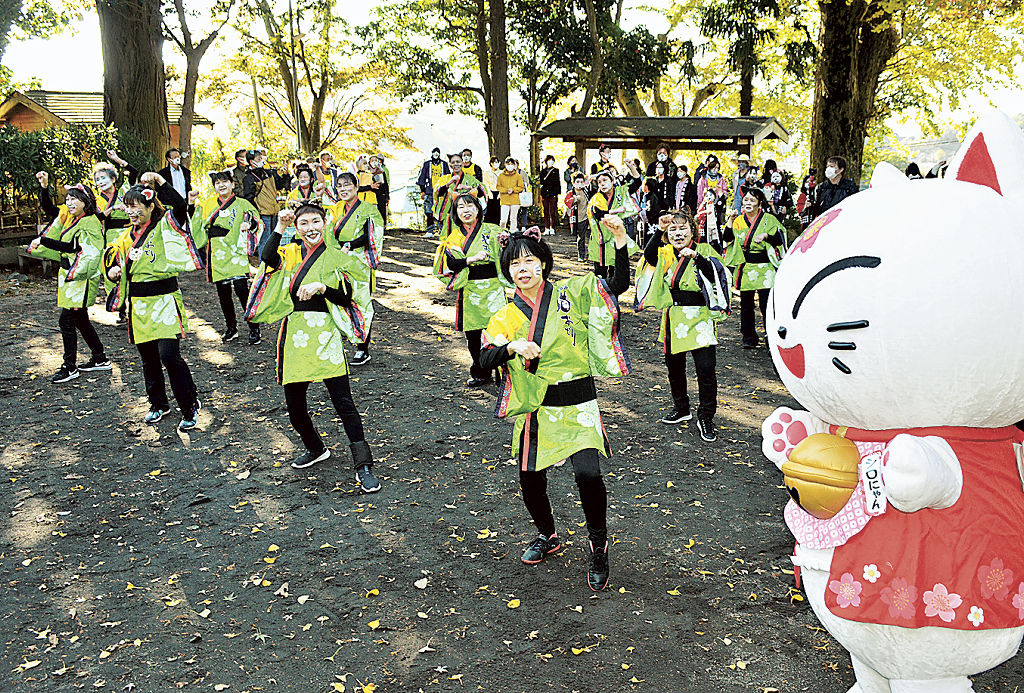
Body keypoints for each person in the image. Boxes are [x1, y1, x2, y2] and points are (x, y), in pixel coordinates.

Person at [479, 217, 632, 592]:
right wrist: (511, 346)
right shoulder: (505, 315)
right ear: (508, 272)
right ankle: (547, 535)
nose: (523, 269)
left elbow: (617, 285)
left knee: (589, 475)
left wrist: (620, 240)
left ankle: (598, 545)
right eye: (515, 263)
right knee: (530, 478)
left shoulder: (572, 293)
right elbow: (483, 359)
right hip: (538, 407)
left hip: (579, 401)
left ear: (544, 263)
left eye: (530, 260)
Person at [247, 203, 381, 493]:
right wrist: (279, 227)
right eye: (304, 223)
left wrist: (322, 287)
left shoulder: (336, 255)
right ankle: (315, 447)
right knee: (295, 407)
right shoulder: (290, 253)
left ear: (324, 223)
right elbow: (266, 258)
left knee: (344, 403)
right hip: (294, 334)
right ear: (297, 228)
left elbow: (347, 297)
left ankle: (363, 465)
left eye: (316, 222)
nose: (311, 228)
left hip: (325, 334)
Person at [103, 174, 202, 430]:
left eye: (136, 206)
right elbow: (112, 258)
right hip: (139, 304)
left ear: (150, 207)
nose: (131, 212)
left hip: (165, 300)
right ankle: (158, 404)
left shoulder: (165, 226)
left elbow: (179, 206)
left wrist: (159, 180)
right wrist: (113, 271)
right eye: (128, 206)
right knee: (148, 358)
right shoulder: (124, 237)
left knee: (169, 355)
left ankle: (189, 404)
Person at [637, 209, 729, 441]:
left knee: (706, 369)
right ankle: (681, 408)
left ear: (692, 230)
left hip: (700, 317)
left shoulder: (704, 249)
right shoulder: (666, 252)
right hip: (674, 315)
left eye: (682, 228)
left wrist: (696, 257)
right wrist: (658, 230)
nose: (678, 233)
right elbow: (649, 257)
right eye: (673, 229)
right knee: (675, 368)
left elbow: (716, 274)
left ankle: (706, 416)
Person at [29, 173, 110, 383]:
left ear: (86, 202)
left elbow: (75, 247)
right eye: (68, 199)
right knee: (80, 319)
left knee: (66, 320)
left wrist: (44, 241)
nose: (70, 202)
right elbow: (49, 209)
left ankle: (70, 366)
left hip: (81, 277)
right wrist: (44, 187)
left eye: (75, 199)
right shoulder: (71, 218)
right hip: (70, 275)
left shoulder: (90, 222)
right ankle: (100, 357)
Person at [433, 194, 508, 386]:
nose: (466, 210)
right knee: (473, 336)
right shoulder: (454, 237)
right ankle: (481, 372)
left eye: (470, 206)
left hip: (494, 289)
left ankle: (503, 375)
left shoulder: (493, 230)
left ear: (478, 208)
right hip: (470, 291)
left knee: (499, 333)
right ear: (455, 213)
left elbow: (510, 250)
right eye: (461, 207)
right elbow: (450, 263)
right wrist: (471, 259)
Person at [189, 169, 262, 345]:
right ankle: (231, 328)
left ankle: (254, 327)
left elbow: (256, 220)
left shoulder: (243, 203)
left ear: (232, 184)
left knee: (242, 290)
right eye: (217, 183)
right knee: (223, 293)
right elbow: (196, 222)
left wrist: (249, 224)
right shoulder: (208, 203)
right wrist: (191, 204)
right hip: (217, 251)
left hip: (235, 249)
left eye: (225, 182)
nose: (221, 185)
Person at [325, 172, 384, 366]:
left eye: (347, 185)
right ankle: (339, 341)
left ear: (356, 187)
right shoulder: (335, 209)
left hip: (359, 260)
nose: (343, 189)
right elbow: (327, 232)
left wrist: (350, 244)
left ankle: (362, 348)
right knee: (335, 299)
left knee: (361, 302)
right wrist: (334, 251)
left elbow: (372, 235)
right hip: (338, 258)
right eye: (339, 186)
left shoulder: (369, 209)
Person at [723, 187, 786, 349]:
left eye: (752, 200)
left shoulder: (769, 219)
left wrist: (766, 236)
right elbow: (727, 238)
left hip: (765, 267)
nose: (748, 203)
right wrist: (730, 220)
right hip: (746, 266)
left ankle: (771, 335)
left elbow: (780, 238)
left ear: (759, 203)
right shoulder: (738, 220)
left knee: (766, 304)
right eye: (746, 200)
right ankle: (749, 337)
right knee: (746, 305)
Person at [585, 165, 640, 279]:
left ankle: (614, 290)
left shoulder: (620, 192)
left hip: (615, 237)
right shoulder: (596, 198)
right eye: (599, 182)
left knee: (615, 272)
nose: (602, 184)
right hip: (600, 238)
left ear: (612, 180)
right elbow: (597, 214)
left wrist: (631, 167)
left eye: (605, 180)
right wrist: (616, 211)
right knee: (600, 274)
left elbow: (637, 182)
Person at [242, 149, 290, 255]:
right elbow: (249, 198)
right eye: (258, 158)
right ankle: (263, 264)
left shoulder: (269, 173)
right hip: (263, 214)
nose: (262, 160)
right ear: (251, 162)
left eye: (261, 157)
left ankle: (275, 262)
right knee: (265, 241)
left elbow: (281, 185)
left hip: (274, 212)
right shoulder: (249, 178)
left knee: (276, 240)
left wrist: (286, 174)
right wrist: (256, 214)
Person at [433, 152, 487, 243]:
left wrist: (468, 187)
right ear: (450, 165)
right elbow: (437, 192)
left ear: (462, 163)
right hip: (449, 215)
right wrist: (449, 183)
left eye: (458, 162)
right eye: (453, 162)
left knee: (465, 240)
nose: (456, 164)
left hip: (466, 215)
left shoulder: (470, 179)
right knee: (448, 240)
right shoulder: (445, 179)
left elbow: (482, 191)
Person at [416, 148, 450, 238]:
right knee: (429, 211)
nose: (436, 154)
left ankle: (442, 230)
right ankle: (430, 230)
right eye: (434, 152)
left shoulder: (444, 164)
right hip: (429, 191)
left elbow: (449, 177)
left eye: (437, 152)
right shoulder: (427, 164)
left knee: (442, 211)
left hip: (442, 192)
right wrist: (422, 191)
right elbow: (422, 177)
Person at [564, 171, 590, 261]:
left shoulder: (586, 191)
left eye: (581, 182)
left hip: (587, 217)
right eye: (577, 182)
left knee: (591, 236)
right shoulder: (571, 193)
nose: (579, 184)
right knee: (581, 237)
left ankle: (591, 253)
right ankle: (581, 255)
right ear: (573, 182)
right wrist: (574, 199)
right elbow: (567, 202)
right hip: (578, 218)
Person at [497, 157, 525, 232]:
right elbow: (498, 187)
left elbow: (521, 187)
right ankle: (502, 232)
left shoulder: (517, 176)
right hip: (504, 200)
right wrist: (506, 190)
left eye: (511, 164)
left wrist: (513, 189)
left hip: (515, 200)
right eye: (508, 164)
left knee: (513, 218)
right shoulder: (501, 176)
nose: (510, 165)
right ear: (505, 165)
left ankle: (512, 232)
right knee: (503, 219)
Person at [539, 155, 560, 236]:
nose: (550, 162)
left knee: (553, 211)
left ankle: (552, 227)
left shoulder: (556, 171)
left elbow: (557, 182)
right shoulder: (543, 171)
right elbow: (541, 182)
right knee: (546, 211)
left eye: (552, 160)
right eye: (549, 160)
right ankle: (546, 227)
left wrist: (557, 193)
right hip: (545, 193)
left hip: (553, 193)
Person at [368, 154, 389, 231]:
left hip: (381, 194)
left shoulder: (381, 171)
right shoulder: (367, 172)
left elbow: (385, 184)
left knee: (381, 212)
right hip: (370, 195)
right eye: (372, 161)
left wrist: (387, 196)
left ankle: (381, 228)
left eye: (376, 160)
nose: (374, 162)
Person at [483, 156, 501, 224]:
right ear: (491, 163)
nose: (496, 164)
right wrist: (489, 193)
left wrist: (500, 193)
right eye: (494, 162)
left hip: (500, 192)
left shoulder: (502, 173)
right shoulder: (487, 173)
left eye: (497, 162)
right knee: (490, 210)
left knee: (499, 210)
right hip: (491, 192)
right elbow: (485, 184)